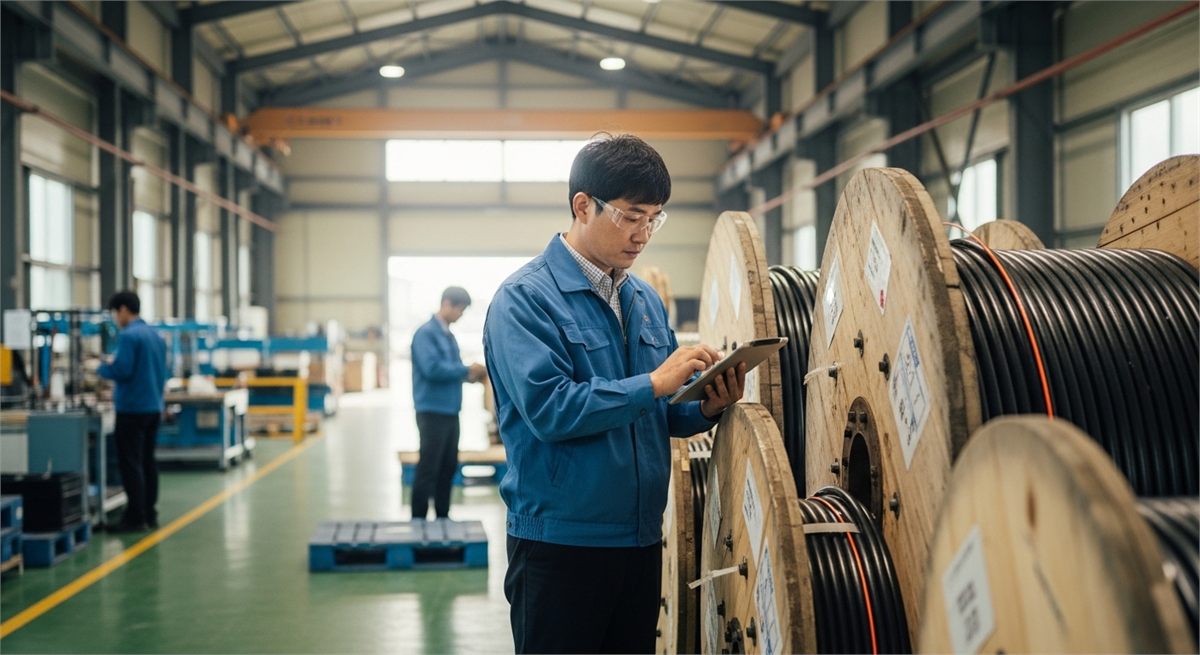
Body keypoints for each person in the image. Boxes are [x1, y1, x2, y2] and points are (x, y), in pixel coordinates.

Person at [483, 134, 746, 654]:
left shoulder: (643, 299)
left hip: (641, 539)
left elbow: (662, 413)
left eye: (655, 217)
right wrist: (653, 382)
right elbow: (550, 410)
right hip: (561, 545)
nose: (644, 233)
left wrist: (707, 405)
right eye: (631, 215)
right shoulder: (525, 300)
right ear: (583, 206)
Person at [410, 286, 486, 522]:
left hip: (451, 410)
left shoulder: (448, 335)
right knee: (429, 467)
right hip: (431, 410)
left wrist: (472, 376)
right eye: (460, 310)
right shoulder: (426, 334)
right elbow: (432, 369)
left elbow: (451, 370)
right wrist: (465, 370)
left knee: (448, 465)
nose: (461, 315)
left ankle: (443, 516)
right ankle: (419, 519)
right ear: (447, 304)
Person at [99, 291, 168, 533]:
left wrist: (101, 368)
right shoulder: (156, 336)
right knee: (147, 461)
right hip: (153, 407)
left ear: (124, 309)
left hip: (132, 409)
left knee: (131, 463)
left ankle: (135, 518)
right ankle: (149, 512)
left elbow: (123, 370)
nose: (116, 318)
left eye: (116, 313)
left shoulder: (129, 336)